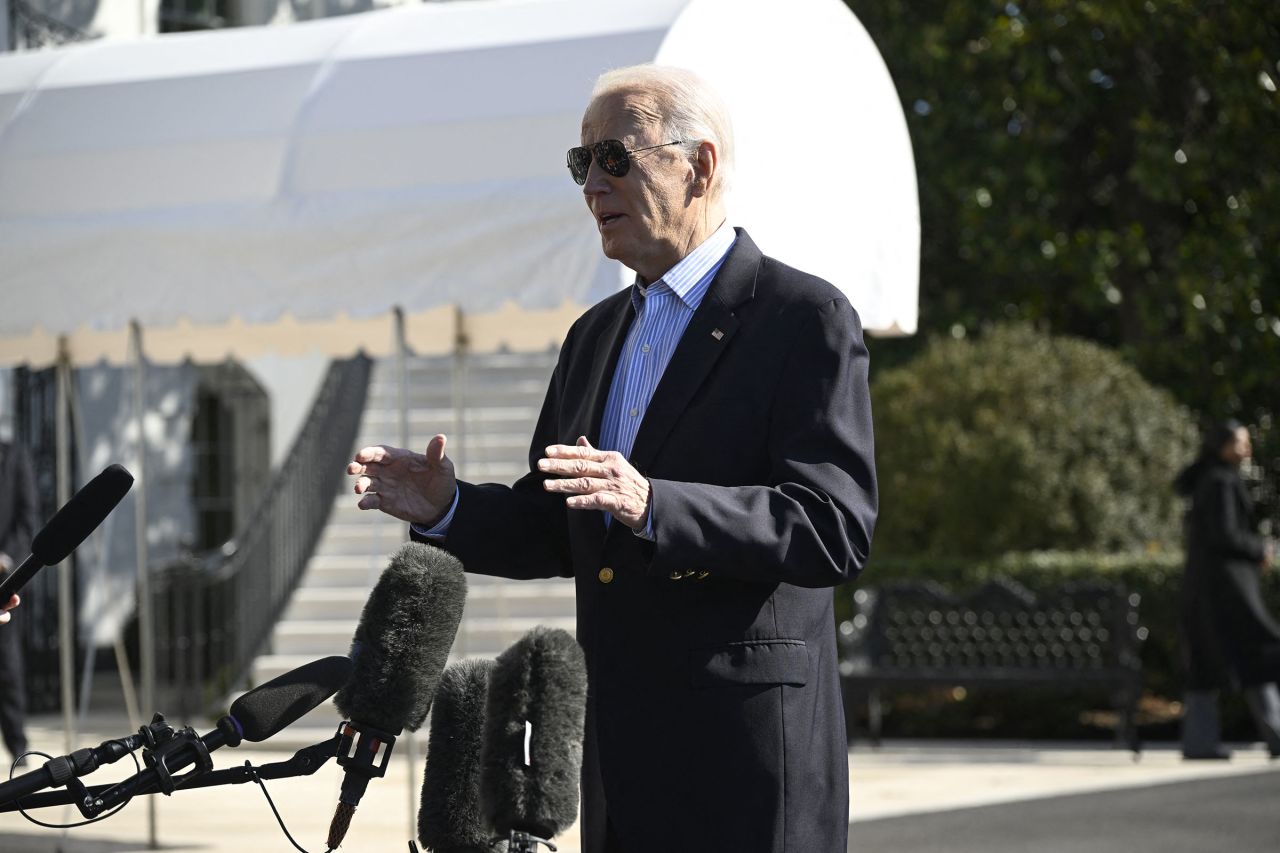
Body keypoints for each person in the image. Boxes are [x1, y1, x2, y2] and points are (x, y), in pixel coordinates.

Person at [349, 64, 876, 853]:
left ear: (699, 166)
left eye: (615, 159)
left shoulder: (804, 317)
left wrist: (655, 503)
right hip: (620, 755)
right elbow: (560, 524)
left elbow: (832, 526)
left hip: (749, 756)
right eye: (580, 162)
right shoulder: (595, 336)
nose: (593, 183)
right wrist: (450, 507)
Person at [1175, 420, 1280, 760]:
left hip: (1209, 588)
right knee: (1259, 652)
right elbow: (1226, 534)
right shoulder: (1220, 482)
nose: (1246, 449)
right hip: (1227, 589)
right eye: (1240, 442)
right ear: (1222, 445)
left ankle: (1200, 742)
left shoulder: (1210, 479)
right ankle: (1276, 733)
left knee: (1207, 663)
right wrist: (1259, 549)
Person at [0, 433, 38, 766]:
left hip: (4, 579)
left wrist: (5, 557)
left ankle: (17, 745)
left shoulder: (14, 455)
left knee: (8, 667)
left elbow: (28, 521)